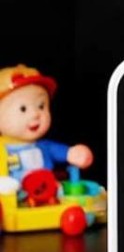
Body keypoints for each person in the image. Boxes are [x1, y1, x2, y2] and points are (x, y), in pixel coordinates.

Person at [0, 65, 93, 196]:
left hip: (47, 196)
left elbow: (62, 152)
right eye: (23, 109)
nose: (35, 114)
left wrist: (73, 153)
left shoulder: (44, 146)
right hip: (13, 199)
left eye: (41, 106)